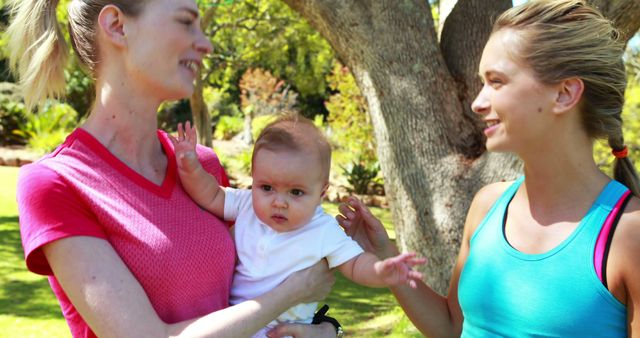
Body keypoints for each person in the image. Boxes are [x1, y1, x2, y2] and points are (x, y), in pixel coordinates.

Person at [8, 0, 339, 337]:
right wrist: (293, 292)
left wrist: (324, 329)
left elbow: (248, 295)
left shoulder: (202, 169)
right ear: (117, 26)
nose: (206, 44)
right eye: (185, 23)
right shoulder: (56, 183)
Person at [337, 0, 640, 337]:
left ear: (565, 94)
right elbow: (452, 327)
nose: (477, 103)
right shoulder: (487, 205)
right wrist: (384, 251)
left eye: (496, 82)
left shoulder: (629, 234)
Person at [171, 115, 426, 337]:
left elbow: (356, 265)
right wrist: (189, 165)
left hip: (285, 331)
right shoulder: (246, 203)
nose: (279, 202)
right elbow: (211, 194)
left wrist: (381, 270)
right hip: (235, 324)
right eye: (267, 187)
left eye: (296, 192)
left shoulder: (322, 230)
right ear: (254, 178)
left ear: (321, 192)